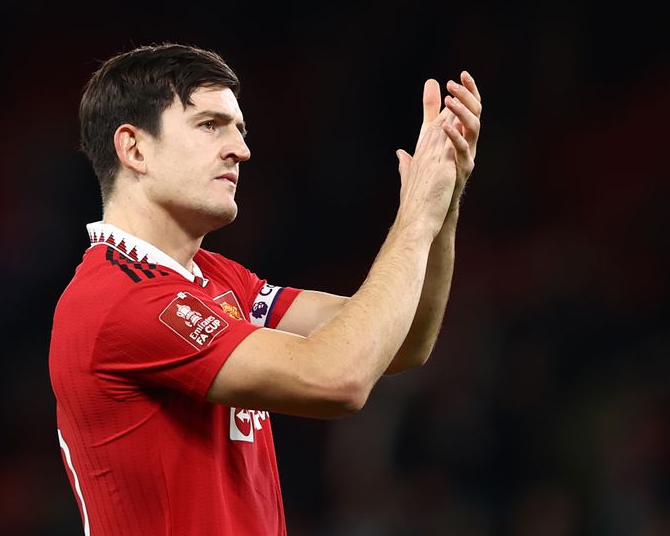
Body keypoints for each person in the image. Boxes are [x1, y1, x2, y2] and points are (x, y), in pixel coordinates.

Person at [48, 43, 482, 535]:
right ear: (134, 148)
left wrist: (442, 207)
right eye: (209, 124)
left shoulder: (216, 279)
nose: (241, 149)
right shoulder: (117, 300)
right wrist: (415, 215)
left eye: (239, 129)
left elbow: (401, 341)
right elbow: (338, 377)